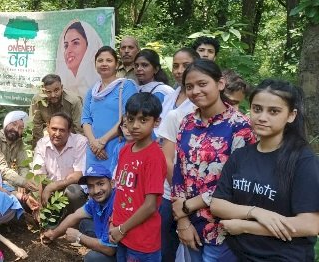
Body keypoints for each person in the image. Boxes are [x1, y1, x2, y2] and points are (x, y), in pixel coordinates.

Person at [210, 79, 319, 261]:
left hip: (283, 256)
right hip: (238, 254)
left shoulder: (303, 160)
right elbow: (218, 205)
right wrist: (256, 212)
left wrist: (246, 226)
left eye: (273, 111)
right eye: (257, 109)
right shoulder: (240, 156)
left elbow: (310, 224)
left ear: (291, 116)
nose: (262, 117)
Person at [171, 59, 256, 262]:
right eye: (189, 87)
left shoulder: (240, 127)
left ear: (220, 83)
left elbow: (238, 182)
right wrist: (182, 219)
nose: (195, 91)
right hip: (190, 225)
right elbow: (178, 171)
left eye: (202, 84)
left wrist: (190, 205)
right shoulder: (188, 123)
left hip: (223, 229)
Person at [109, 92, 166, 261]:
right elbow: (120, 190)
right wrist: (114, 222)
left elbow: (150, 205)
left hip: (141, 240)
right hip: (122, 233)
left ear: (156, 122)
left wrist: (121, 229)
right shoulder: (126, 150)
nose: (134, 125)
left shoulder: (154, 157)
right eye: (131, 118)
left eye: (143, 120)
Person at [155, 47, 198, 262]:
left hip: (195, 191)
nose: (180, 70)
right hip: (167, 184)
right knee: (165, 243)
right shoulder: (171, 97)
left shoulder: (200, 102)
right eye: (175, 65)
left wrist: (185, 193)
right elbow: (164, 146)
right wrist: (176, 189)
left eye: (185, 65)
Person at [42, 165, 117, 262]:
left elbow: (110, 249)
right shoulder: (94, 201)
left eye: (100, 184)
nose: (96, 190)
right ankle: (99, 243)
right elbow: (75, 216)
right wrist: (53, 234)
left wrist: (78, 237)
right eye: (91, 186)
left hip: (121, 252)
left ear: (112, 183)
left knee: (91, 258)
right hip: (109, 239)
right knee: (84, 223)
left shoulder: (118, 204)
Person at [82, 46, 137, 174]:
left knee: (115, 187)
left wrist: (103, 141)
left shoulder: (126, 86)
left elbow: (127, 118)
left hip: (116, 146)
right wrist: (94, 143)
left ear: (117, 64)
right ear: (95, 65)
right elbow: (85, 120)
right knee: (94, 187)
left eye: (109, 60)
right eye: (100, 61)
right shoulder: (92, 91)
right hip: (93, 150)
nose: (104, 64)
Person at [32, 112, 88, 216]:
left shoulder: (80, 142)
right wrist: (39, 204)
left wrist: (52, 186)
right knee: (31, 189)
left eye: (62, 130)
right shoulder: (42, 144)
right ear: (48, 127)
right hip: (49, 193)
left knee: (73, 192)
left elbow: (78, 175)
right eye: (54, 129)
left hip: (70, 190)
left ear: (69, 130)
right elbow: (38, 176)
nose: (57, 134)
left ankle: (78, 224)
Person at [29, 74, 83, 146]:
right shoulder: (38, 100)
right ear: (43, 91)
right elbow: (36, 126)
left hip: (70, 140)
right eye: (48, 92)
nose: (53, 95)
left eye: (56, 90)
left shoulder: (74, 101)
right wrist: (40, 146)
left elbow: (79, 129)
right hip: (47, 140)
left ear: (62, 88)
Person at [55, 20, 103, 97]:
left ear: (89, 47)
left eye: (75, 43)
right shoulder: (60, 85)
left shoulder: (101, 84)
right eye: (66, 46)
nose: (68, 51)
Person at [0, 110, 29, 177]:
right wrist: (22, 182)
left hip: (8, 179)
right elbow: (1, 168)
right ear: (6, 123)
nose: (16, 129)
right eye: (14, 124)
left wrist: (24, 179)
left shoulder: (18, 142)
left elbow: (24, 166)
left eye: (21, 128)